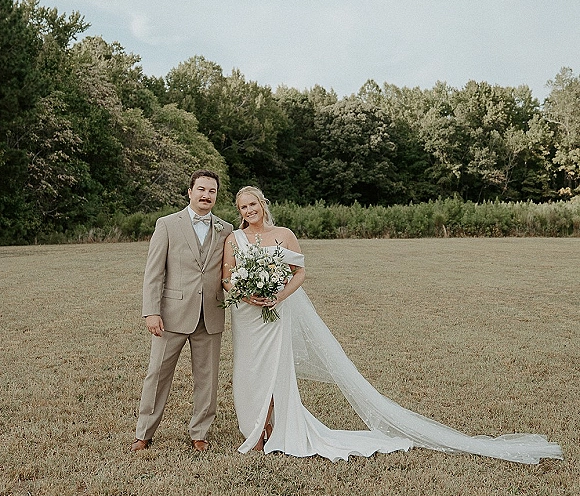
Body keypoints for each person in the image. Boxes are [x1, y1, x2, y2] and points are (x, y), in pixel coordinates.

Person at [222, 186, 563, 464]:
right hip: (247, 315)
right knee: (248, 372)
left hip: (276, 313)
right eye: (242, 207)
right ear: (239, 211)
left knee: (274, 372)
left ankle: (268, 432)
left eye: (252, 204)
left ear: (263, 204)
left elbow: (300, 273)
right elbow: (227, 278)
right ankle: (256, 427)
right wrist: (248, 293)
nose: (248, 210)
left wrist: (277, 296)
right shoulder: (235, 239)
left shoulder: (283, 234)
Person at [131, 171, 233, 452]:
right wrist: (151, 311)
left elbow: (229, 272)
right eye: (201, 189)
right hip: (171, 314)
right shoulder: (167, 225)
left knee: (207, 378)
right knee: (157, 374)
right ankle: (144, 433)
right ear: (189, 192)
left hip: (210, 314)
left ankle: (199, 432)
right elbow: (154, 273)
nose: (206, 195)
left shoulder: (226, 229)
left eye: (211, 191)